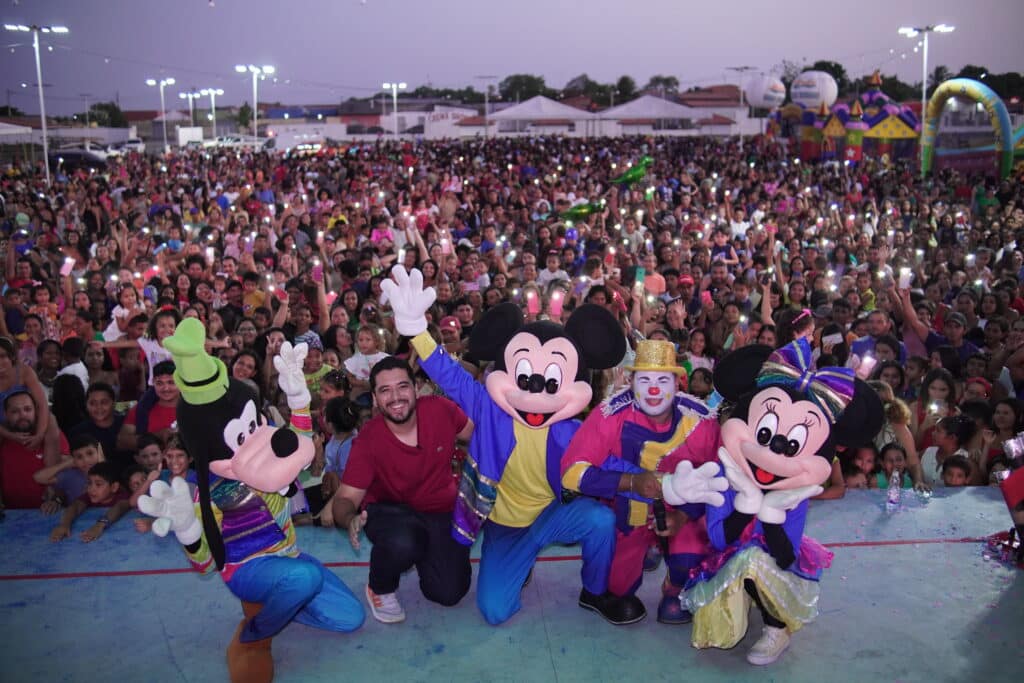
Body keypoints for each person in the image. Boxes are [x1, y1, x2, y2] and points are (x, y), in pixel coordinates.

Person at [560, 339, 721, 624]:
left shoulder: (701, 422)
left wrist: (685, 516)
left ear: (678, 382)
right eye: (644, 380)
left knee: (692, 553)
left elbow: (717, 478)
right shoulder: (609, 415)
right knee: (617, 590)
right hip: (627, 512)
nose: (654, 389)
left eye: (663, 380)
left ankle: (675, 586)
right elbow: (572, 473)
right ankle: (645, 550)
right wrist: (630, 483)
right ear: (632, 381)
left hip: (682, 511)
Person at [331, 357, 474, 623]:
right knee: (404, 541)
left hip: (440, 511)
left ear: (416, 389)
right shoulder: (368, 440)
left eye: (402, 387)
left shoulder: (442, 410)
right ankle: (380, 587)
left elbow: (478, 436)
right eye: (385, 390)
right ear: (374, 398)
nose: (395, 397)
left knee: (449, 593)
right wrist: (350, 518)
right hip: (392, 514)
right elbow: (345, 498)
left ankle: (427, 553)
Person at [0, 391, 68, 510]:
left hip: (46, 513)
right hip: (9, 515)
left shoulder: (52, 436)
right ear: (5, 414)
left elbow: (67, 475)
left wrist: (56, 500)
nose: (22, 415)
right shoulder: (3, 440)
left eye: (27, 409)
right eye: (15, 411)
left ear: (36, 411)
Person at [48, 461, 132, 543]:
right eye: (89, 483)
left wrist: (99, 525)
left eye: (98, 484)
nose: (91, 488)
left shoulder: (123, 496)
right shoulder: (90, 496)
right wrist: (64, 524)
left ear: (114, 487)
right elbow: (75, 507)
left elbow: (119, 508)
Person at [117, 361, 180, 453]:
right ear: (153, 383)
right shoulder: (140, 409)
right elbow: (121, 442)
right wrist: (158, 436)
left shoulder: (193, 408)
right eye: (159, 383)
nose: (166, 388)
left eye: (171, 382)